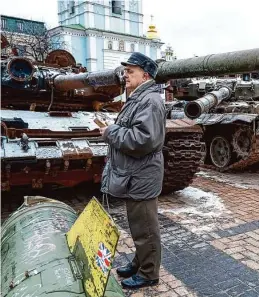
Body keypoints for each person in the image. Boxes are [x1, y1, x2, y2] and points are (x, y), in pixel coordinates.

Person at [100, 52, 165, 289]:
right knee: (140, 226)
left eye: (131, 71)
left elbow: (143, 140)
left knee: (145, 228)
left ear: (145, 74)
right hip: (136, 174)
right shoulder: (140, 98)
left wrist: (110, 132)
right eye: (126, 71)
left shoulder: (149, 100)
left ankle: (149, 274)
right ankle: (140, 262)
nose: (125, 75)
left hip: (141, 175)